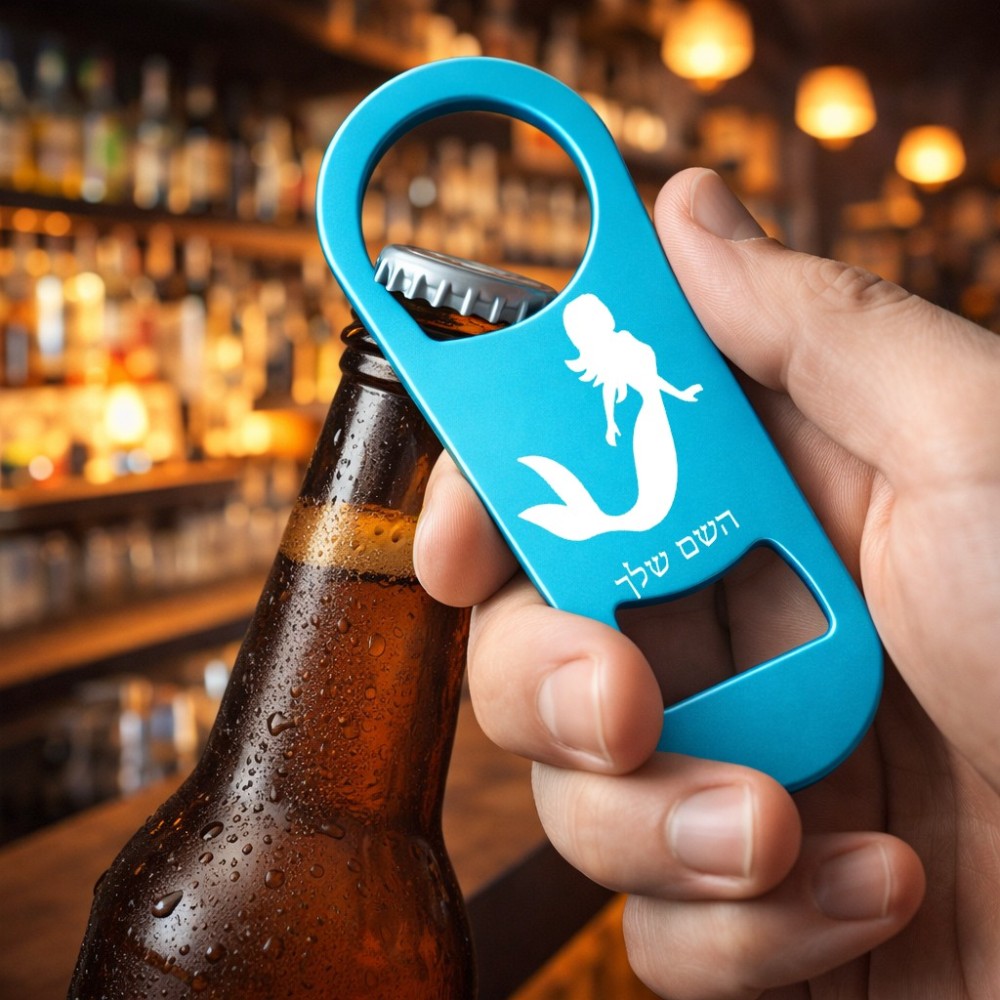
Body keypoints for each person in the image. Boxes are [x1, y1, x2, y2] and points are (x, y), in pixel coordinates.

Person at [412, 168, 1000, 999]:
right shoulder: (595, 359)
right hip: (653, 467)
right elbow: (618, 400)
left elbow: (647, 388)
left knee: (609, 539)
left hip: (671, 454)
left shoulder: (624, 347)